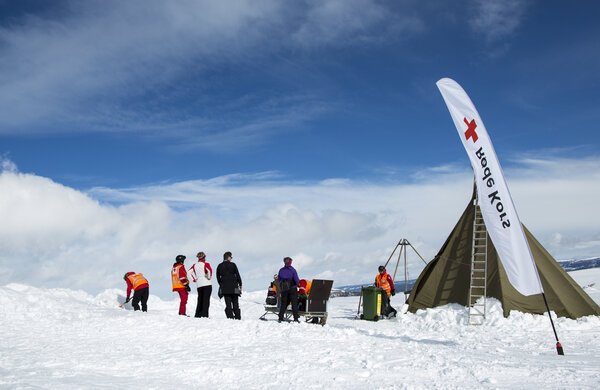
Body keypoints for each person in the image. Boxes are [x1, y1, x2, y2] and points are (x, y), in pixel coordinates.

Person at [216, 251, 242, 320]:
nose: (231, 258)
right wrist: (240, 285)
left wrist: (221, 284)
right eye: (231, 257)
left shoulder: (219, 266)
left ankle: (230, 318)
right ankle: (238, 318)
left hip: (225, 288)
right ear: (228, 257)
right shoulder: (233, 265)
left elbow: (218, 277)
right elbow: (238, 275)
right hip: (235, 287)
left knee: (228, 305)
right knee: (236, 304)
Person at [188, 251, 213, 318]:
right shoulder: (206, 264)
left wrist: (194, 279)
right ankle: (205, 315)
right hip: (207, 284)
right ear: (204, 257)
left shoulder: (194, 265)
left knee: (200, 300)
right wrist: (208, 277)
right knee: (206, 300)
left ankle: (198, 315)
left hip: (199, 284)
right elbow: (209, 271)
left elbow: (188, 273)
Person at [277, 256, 300, 323]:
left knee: (284, 303)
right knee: (294, 303)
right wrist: (299, 284)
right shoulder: (292, 270)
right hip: (292, 289)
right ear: (290, 262)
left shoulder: (281, 270)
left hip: (284, 289)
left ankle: (280, 317)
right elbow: (296, 280)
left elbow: (279, 279)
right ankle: (296, 318)